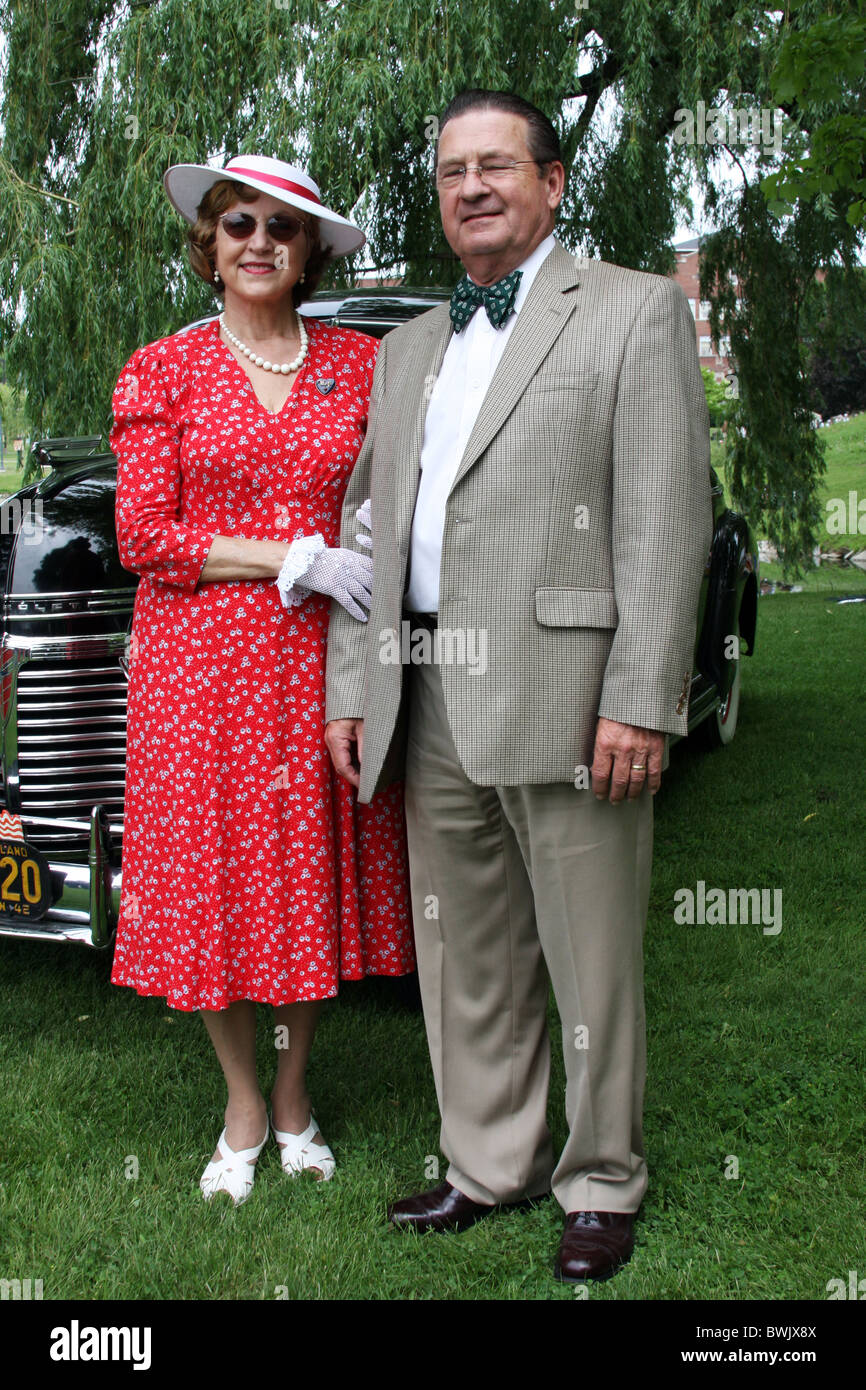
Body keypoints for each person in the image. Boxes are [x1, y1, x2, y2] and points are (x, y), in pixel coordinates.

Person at [325, 91, 711, 1281]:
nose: (471, 187)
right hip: (425, 684)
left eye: (496, 165)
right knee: (465, 952)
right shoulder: (407, 352)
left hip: (569, 686)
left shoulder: (635, 311)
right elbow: (365, 527)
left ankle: (599, 1179)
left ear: (551, 183)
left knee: (587, 953)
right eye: (450, 172)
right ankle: (486, 1164)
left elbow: (662, 518)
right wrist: (353, 684)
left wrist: (642, 694)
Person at [111, 154, 414, 1206]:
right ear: (209, 238)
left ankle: (295, 1092)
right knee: (216, 880)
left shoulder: (361, 365)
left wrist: (353, 554)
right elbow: (144, 535)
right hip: (198, 672)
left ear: (309, 253)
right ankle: (242, 1097)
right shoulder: (163, 369)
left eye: (282, 230)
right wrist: (292, 556)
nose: (257, 242)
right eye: (238, 222)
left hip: (318, 662)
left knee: (304, 875)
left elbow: (388, 499)